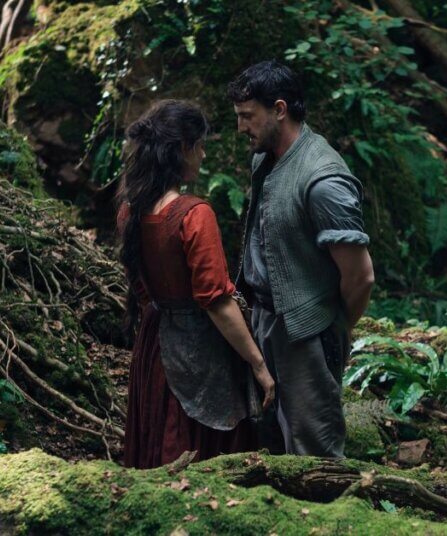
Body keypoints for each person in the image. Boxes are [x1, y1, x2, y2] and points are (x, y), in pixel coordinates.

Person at [227, 61, 375, 457]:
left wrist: (331, 330)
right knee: (269, 441)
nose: (240, 127)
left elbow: (361, 276)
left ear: (279, 109)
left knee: (314, 450)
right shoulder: (264, 158)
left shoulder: (323, 180)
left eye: (247, 116)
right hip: (263, 320)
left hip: (306, 333)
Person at [118, 100, 275, 469]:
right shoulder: (194, 214)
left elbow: (142, 288)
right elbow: (215, 300)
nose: (203, 155)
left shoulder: (130, 210)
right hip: (199, 347)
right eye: (200, 146)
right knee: (194, 446)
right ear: (182, 149)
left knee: (159, 432)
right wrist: (258, 363)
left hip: (155, 344)